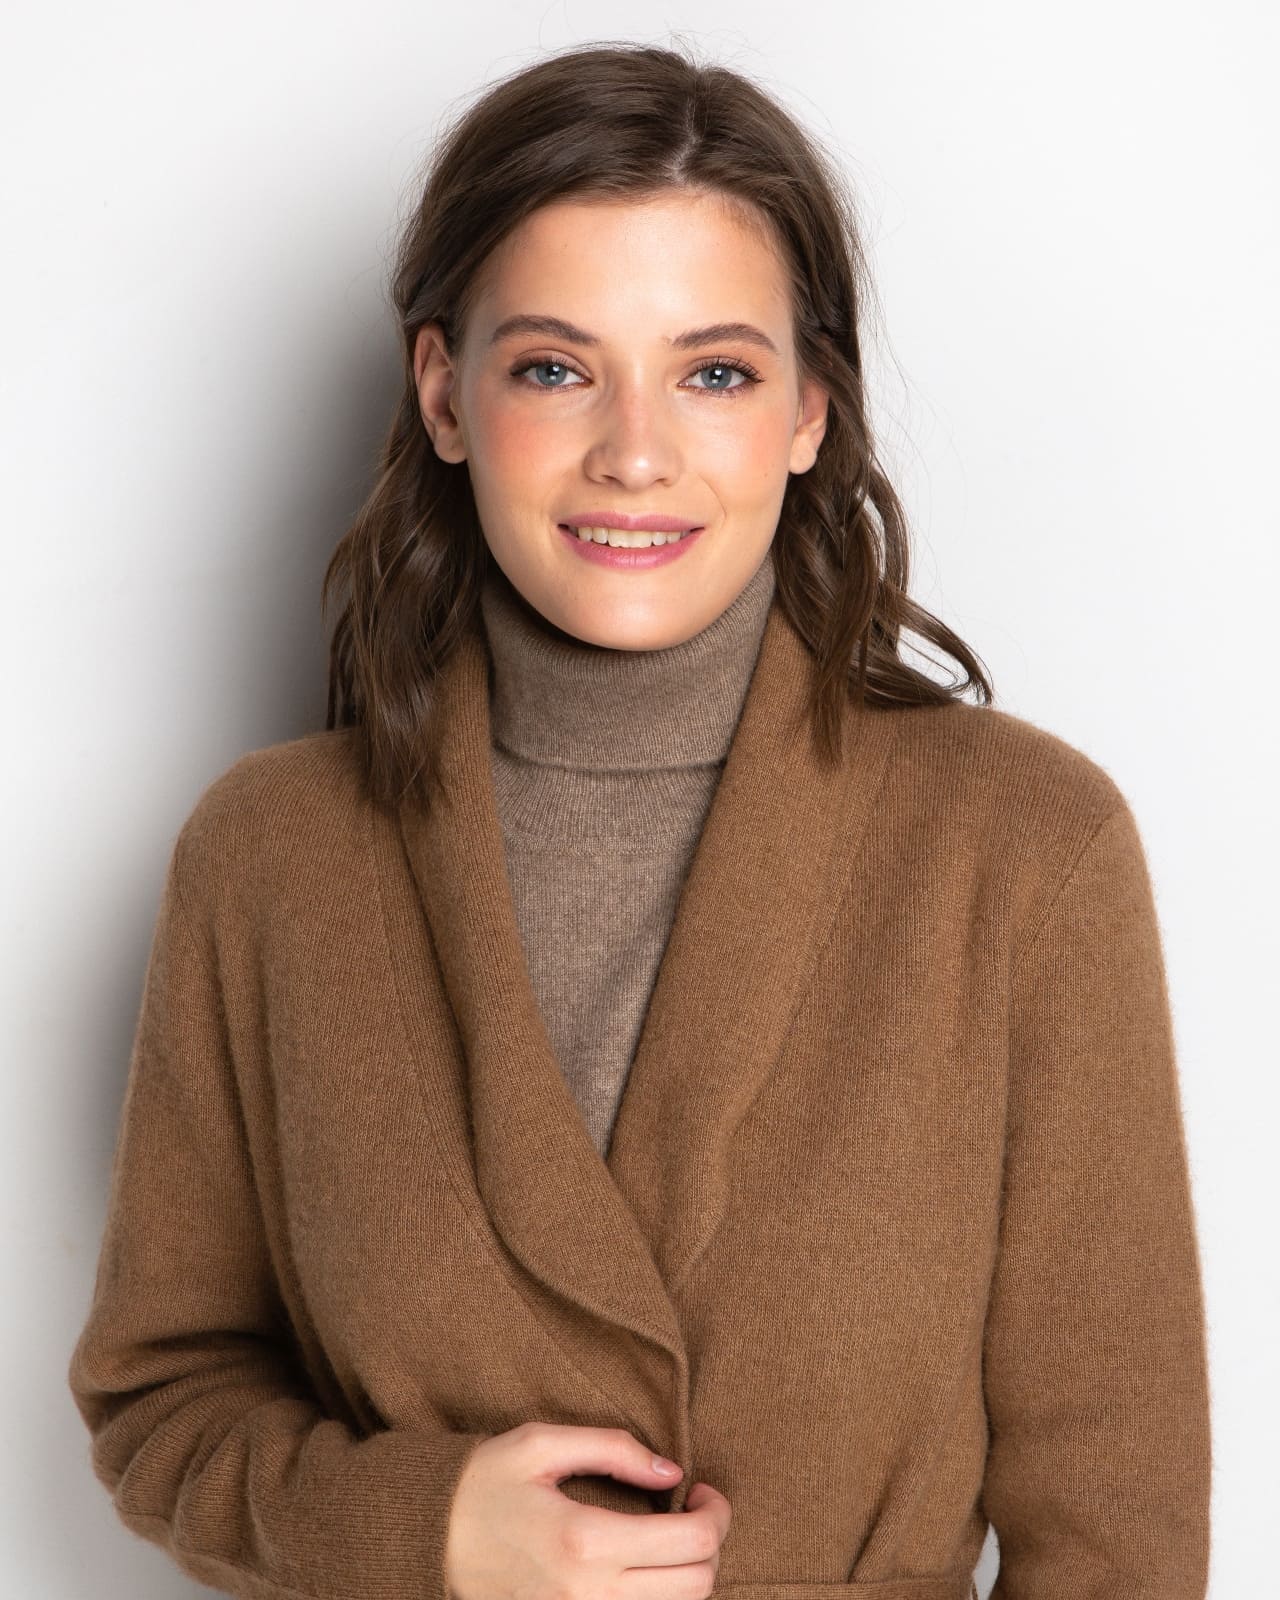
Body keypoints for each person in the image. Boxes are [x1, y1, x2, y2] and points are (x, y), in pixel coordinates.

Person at [67, 40, 1212, 1600]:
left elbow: (1118, 1533)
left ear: (809, 410)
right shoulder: (269, 858)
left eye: (714, 372)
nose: (635, 452)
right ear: (444, 393)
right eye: (555, 367)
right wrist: (425, 1527)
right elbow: (163, 1399)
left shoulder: (1023, 851)